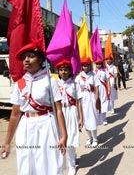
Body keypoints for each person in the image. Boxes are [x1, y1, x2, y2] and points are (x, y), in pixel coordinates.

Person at [1, 42, 67, 174]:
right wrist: (6, 143)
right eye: (24, 57)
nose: (26, 60)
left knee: (48, 162)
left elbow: (58, 110)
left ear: (41, 60)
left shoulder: (50, 81)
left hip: (46, 123)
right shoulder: (20, 83)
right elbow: (15, 114)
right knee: (26, 162)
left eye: (31, 56)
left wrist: (64, 136)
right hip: (26, 125)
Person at [55, 59, 84, 175]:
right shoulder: (55, 84)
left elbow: (79, 102)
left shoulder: (75, 84)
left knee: (71, 138)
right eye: (61, 70)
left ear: (70, 71)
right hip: (59, 112)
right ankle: (63, 163)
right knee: (60, 138)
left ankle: (72, 166)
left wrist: (81, 118)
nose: (63, 72)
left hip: (71, 112)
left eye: (65, 70)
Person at [75, 57, 101, 147]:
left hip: (91, 97)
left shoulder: (93, 75)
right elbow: (76, 89)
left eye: (87, 66)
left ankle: (95, 138)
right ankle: (89, 137)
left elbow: (97, 87)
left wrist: (97, 99)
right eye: (83, 66)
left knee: (92, 118)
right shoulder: (79, 77)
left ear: (90, 66)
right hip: (83, 98)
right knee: (84, 119)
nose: (85, 67)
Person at [94, 58, 111, 126]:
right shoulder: (94, 72)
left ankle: (104, 119)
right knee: (97, 103)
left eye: (99, 64)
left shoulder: (105, 71)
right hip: (96, 89)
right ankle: (98, 118)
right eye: (97, 64)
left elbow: (108, 80)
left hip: (103, 88)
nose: (98, 65)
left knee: (104, 103)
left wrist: (109, 89)